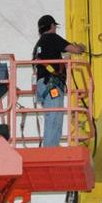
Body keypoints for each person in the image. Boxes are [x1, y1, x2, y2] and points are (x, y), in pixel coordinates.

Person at [33, 15, 85, 147]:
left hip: (43, 86)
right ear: (51, 26)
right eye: (54, 26)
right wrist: (81, 47)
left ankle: (51, 147)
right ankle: (50, 150)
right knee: (55, 117)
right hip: (52, 86)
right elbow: (76, 50)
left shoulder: (38, 46)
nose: (55, 28)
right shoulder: (52, 38)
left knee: (52, 116)